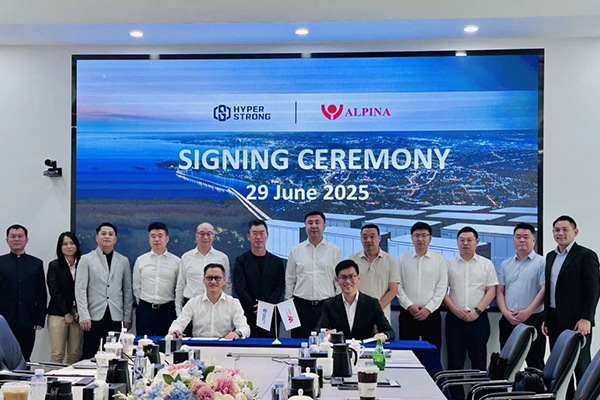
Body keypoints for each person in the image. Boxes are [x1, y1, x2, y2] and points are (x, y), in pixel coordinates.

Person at [542, 215, 600, 398]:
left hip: (577, 321)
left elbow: (593, 289)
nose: (560, 233)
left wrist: (586, 318)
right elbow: (550, 289)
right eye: (557, 230)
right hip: (554, 320)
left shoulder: (586, 255)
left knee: (581, 367)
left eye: (565, 230)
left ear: (575, 232)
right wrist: (546, 318)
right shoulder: (550, 256)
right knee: (560, 369)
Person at [444, 226, 497, 386]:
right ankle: (456, 396)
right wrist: (455, 310)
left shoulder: (486, 264)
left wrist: (477, 311)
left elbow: (491, 290)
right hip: (454, 319)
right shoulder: (448, 264)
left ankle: (478, 395)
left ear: (477, 242)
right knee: (454, 363)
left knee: (479, 363)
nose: (465, 243)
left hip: (479, 320)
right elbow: (442, 292)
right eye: (462, 240)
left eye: (469, 240)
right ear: (457, 242)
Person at [75, 222, 133, 360]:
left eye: (110, 234)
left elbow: (127, 290)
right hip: (93, 316)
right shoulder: (86, 259)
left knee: (115, 356)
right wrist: (84, 315)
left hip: (115, 315)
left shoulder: (123, 261)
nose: (107, 236)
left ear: (115, 239)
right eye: (103, 234)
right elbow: (80, 289)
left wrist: (127, 316)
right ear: (97, 237)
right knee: (89, 354)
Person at [285, 210, 343, 338]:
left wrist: (338, 303)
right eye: (310, 223)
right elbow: (290, 279)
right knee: (299, 342)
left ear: (324, 226)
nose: (314, 226)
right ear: (305, 226)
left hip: (326, 305)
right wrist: (289, 305)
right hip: (301, 306)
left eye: (317, 222)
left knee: (326, 343)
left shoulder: (334, 250)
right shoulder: (296, 250)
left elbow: (339, 280)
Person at [497, 223, 546, 370]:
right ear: (513, 240)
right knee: (506, 364)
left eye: (526, 237)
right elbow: (500, 291)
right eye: (518, 237)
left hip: (533, 319)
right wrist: (506, 313)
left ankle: (534, 386)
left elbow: (544, 290)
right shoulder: (505, 264)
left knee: (535, 364)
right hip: (508, 319)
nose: (522, 240)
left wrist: (528, 312)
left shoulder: (542, 262)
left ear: (533, 240)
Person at [397, 222, 448, 350]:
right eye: (417, 235)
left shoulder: (439, 260)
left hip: (431, 315)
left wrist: (428, 309)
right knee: (407, 354)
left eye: (424, 235)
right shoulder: (402, 259)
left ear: (430, 238)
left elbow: (442, 287)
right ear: (412, 238)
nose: (420, 239)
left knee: (432, 353)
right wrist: (409, 306)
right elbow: (397, 286)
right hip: (408, 314)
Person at [316, 259, 395, 341]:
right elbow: (319, 329)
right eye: (343, 277)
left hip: (365, 347)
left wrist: (384, 335)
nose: (347, 281)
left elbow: (389, 331)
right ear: (337, 280)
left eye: (351, 276)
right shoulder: (330, 304)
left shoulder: (371, 303)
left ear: (358, 278)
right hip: (339, 347)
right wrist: (325, 333)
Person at [0, 224, 46, 362]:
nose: (16, 239)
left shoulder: (36, 263)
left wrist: (39, 319)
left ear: (26, 240)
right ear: (7, 240)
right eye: (13, 236)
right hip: (4, 319)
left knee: (25, 358)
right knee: (3, 358)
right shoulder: (1, 262)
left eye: (20, 236)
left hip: (28, 319)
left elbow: (41, 294)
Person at [169, 264, 250, 339]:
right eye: (209, 278)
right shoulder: (193, 302)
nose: (213, 282)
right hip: (198, 345)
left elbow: (244, 327)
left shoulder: (233, 303)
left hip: (224, 345)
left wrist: (237, 333)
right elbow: (179, 323)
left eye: (217, 278)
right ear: (204, 280)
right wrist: (176, 330)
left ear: (224, 280)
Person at [233, 219, 285, 337]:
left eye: (261, 233)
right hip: (248, 313)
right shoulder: (241, 261)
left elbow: (279, 286)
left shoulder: (277, 261)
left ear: (267, 235)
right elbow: (240, 288)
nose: (258, 237)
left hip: (271, 313)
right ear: (248, 237)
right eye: (254, 233)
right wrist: (255, 307)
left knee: (270, 345)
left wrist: (266, 307)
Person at [133, 222, 180, 336]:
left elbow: (179, 287)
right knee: (143, 342)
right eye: (153, 236)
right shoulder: (141, 260)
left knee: (166, 342)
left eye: (160, 236)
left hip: (167, 309)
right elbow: (136, 287)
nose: (157, 239)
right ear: (149, 239)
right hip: (145, 309)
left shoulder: (177, 261)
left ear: (167, 239)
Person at [177, 222, 230, 316]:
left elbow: (227, 285)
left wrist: (227, 308)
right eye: (202, 234)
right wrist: (178, 311)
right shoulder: (186, 257)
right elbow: (181, 285)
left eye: (209, 234)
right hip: (190, 306)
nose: (205, 237)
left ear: (213, 236)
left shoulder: (222, 258)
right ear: (196, 236)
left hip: (215, 305)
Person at [349, 224, 399, 323]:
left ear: (379, 238)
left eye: (372, 237)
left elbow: (393, 290)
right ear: (361, 239)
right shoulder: (352, 260)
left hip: (381, 316)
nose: (368, 240)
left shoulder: (391, 261)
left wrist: (376, 309)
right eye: (365, 237)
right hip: (357, 316)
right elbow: (348, 288)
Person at [47, 232, 84, 364]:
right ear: (60, 247)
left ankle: (72, 378)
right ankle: (54, 378)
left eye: (72, 243)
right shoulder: (54, 265)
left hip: (78, 314)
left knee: (75, 354)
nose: (69, 246)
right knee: (57, 354)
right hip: (58, 313)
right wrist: (66, 312)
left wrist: (81, 311)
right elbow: (54, 291)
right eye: (65, 244)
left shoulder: (83, 264)